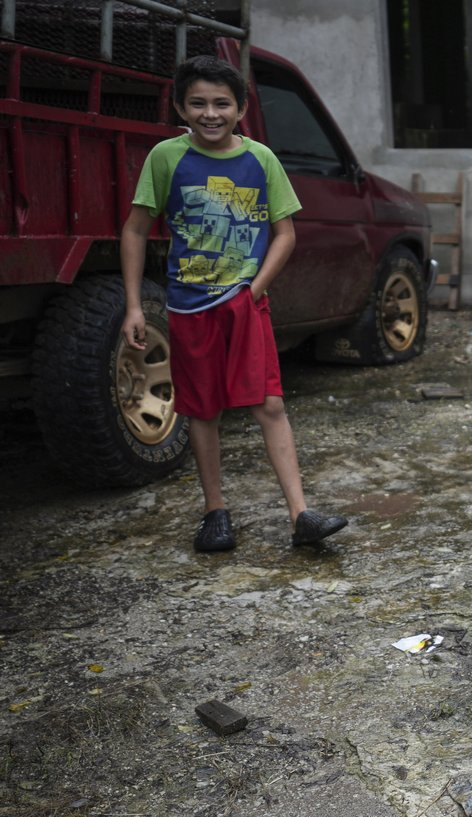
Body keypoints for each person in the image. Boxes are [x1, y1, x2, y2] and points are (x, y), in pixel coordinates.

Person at [121, 55, 347, 552]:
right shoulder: (166, 158)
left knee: (269, 404)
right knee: (203, 411)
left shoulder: (261, 159)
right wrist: (136, 306)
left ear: (241, 108)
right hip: (188, 308)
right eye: (197, 103)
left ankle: (302, 515)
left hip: (245, 303)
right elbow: (136, 229)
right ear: (180, 106)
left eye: (222, 103)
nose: (210, 113)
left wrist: (255, 289)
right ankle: (215, 512)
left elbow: (284, 234)